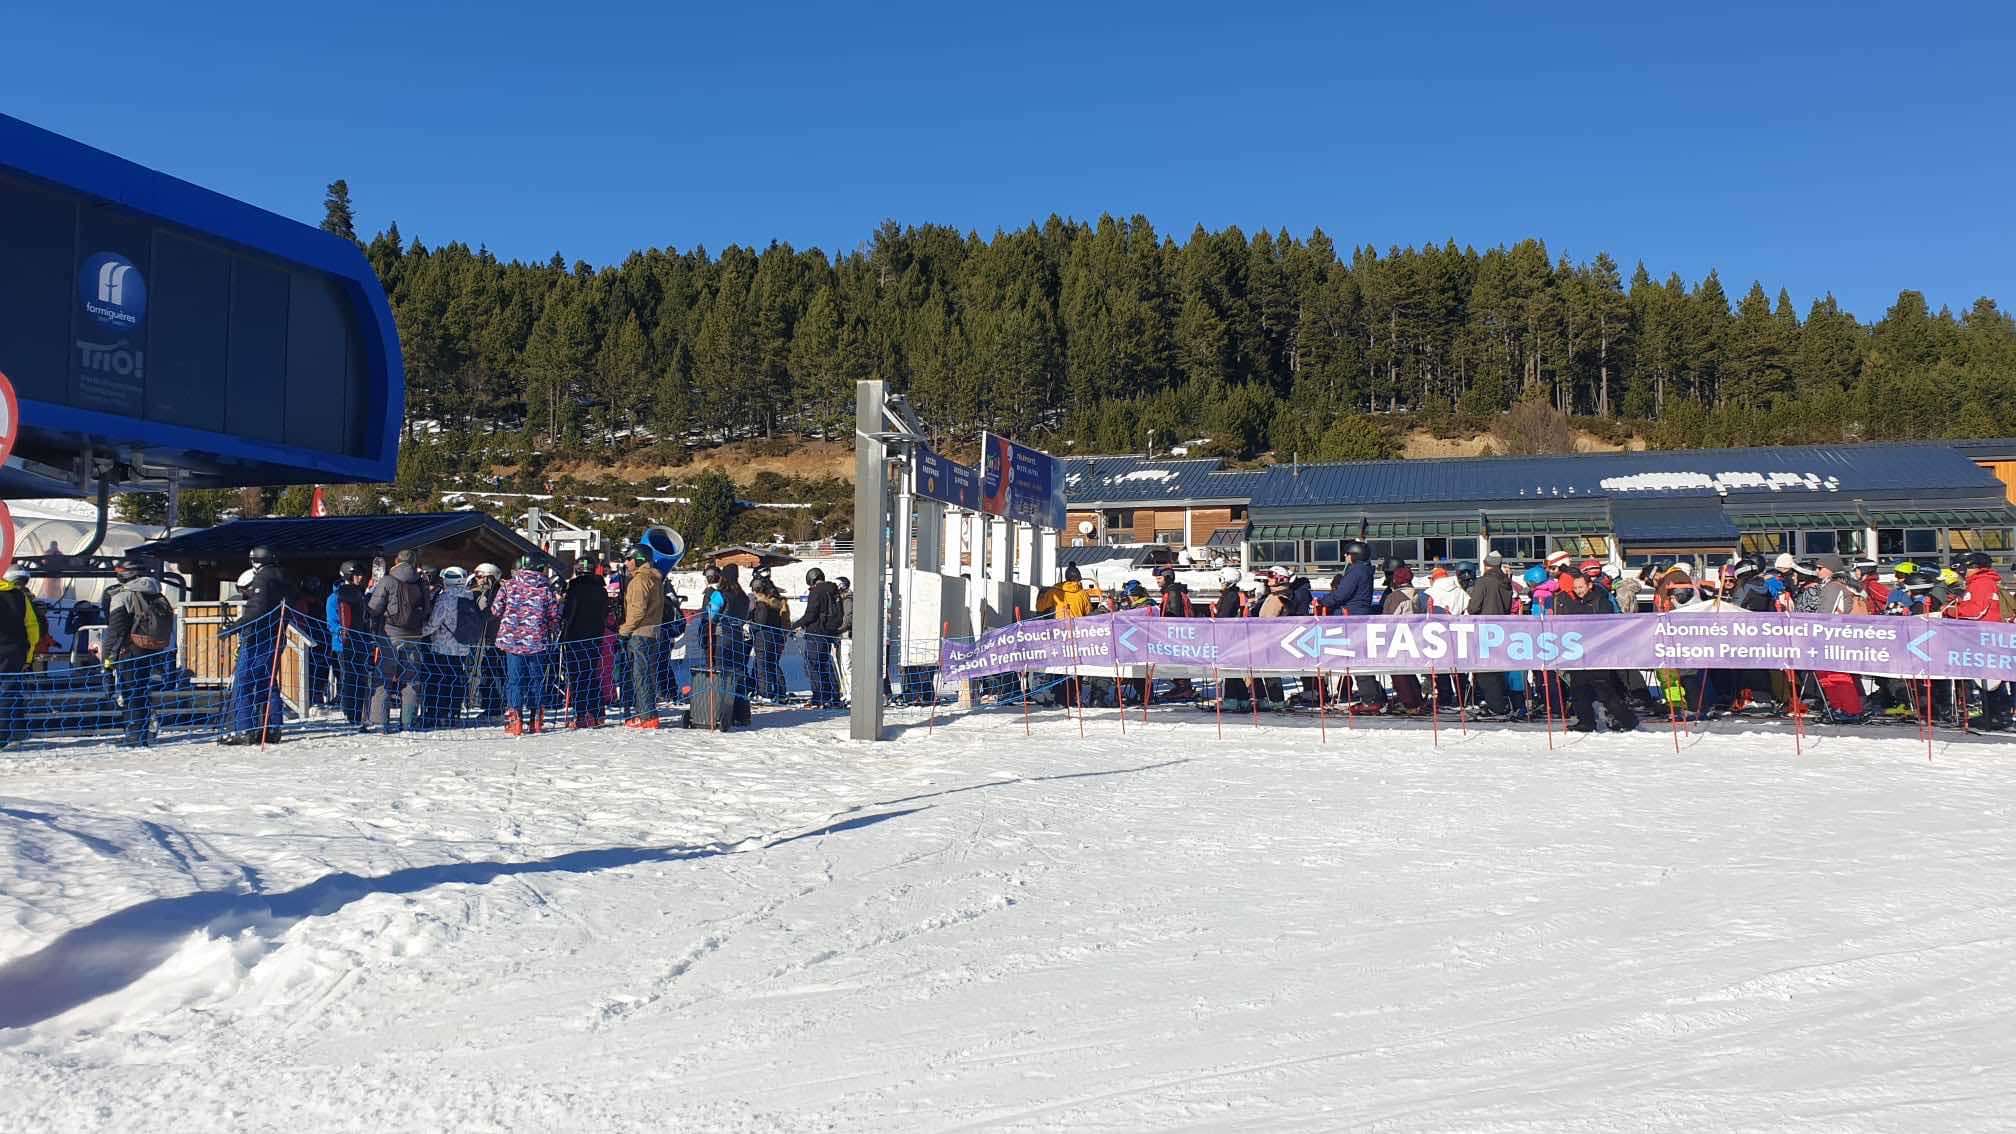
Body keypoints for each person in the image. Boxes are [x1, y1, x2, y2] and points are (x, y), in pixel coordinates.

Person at [1550, 567, 1639, 732]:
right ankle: (1586, 721)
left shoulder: (1601, 601)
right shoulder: (1577, 603)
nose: (1578, 591)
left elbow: (1607, 627)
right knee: (1578, 690)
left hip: (1598, 653)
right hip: (1580, 653)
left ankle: (1628, 720)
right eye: (1575, 588)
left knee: (1605, 690)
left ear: (1589, 585)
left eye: (1581, 587)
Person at [221, 546, 293, 745]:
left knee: (244, 681)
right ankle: (272, 728)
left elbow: (257, 609)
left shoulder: (262, 578)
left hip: (257, 636)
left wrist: (234, 627)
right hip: (276, 634)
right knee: (268, 681)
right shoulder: (283, 577)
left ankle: (245, 729)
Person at [101, 573, 175, 747]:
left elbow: (116, 632)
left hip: (129, 651)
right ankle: (143, 732)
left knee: (130, 692)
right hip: (152, 649)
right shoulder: (155, 593)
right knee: (141, 690)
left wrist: (107, 661)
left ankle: (134, 736)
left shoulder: (122, 596)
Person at [366, 548, 433, 733]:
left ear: (396, 560)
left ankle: (380, 722)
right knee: (411, 679)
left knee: (384, 678)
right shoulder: (421, 583)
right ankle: (408, 722)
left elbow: (374, 608)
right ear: (414, 563)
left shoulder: (387, 580)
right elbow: (427, 609)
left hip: (390, 635)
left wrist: (369, 595)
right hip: (414, 635)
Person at [493, 557, 562, 735]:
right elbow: (554, 616)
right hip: (537, 641)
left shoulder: (508, 586)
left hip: (512, 640)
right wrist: (551, 628)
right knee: (536, 679)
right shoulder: (545, 589)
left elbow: (496, 610)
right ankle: (536, 720)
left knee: (515, 680)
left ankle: (515, 720)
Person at [1944, 551, 2011, 730]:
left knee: (1991, 677)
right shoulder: (1978, 583)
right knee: (1987, 677)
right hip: (1983, 636)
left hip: (1988, 637)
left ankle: (1998, 715)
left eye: (1960, 569)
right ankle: (1994, 713)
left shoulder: (1982, 583)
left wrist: (1951, 611)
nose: (1959, 573)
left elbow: (1976, 611)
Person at [421, 566, 482, 728]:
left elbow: (434, 623)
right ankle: (454, 713)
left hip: (443, 646)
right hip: (462, 646)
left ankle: (438, 713)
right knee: (457, 679)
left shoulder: (445, 598)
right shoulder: (469, 597)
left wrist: (419, 632)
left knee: (440, 680)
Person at [615, 548, 666, 726]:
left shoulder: (639, 581)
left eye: (629, 558)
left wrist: (623, 631)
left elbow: (637, 611)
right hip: (652, 632)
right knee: (648, 674)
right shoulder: (655, 579)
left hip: (640, 633)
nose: (626, 563)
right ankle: (648, 713)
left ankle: (647, 717)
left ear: (638, 559)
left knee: (641, 675)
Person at [1464, 550, 1516, 718]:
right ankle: (1501, 701)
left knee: (1486, 671)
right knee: (1498, 668)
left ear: (1486, 565)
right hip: (1502, 628)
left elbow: (1473, 608)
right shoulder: (1506, 582)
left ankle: (1496, 706)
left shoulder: (1483, 582)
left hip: (1485, 628)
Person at [559, 560, 609, 728]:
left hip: (575, 636)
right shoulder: (601, 590)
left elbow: (568, 614)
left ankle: (581, 714)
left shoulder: (574, 589)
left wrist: (564, 631)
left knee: (577, 676)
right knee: (591, 674)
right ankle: (596, 712)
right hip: (595, 636)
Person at [1036, 565, 1096, 706]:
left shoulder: (1054, 591)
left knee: (1059, 665)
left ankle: (1059, 697)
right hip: (1077, 635)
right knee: (1076, 668)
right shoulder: (1083, 594)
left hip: (1059, 634)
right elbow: (1088, 613)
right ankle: (1073, 696)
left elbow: (1040, 607)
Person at [700, 564, 753, 721]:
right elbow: (744, 617)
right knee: (738, 673)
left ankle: (722, 712)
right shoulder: (743, 597)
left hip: (722, 636)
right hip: (738, 637)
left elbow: (710, 615)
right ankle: (742, 713)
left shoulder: (720, 594)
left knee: (721, 673)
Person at [794, 567, 845, 708]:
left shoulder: (816, 592)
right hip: (829, 632)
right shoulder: (834, 590)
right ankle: (831, 694)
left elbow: (811, 614)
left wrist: (796, 625)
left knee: (814, 665)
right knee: (825, 663)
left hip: (816, 633)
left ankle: (819, 696)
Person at [1211, 565, 1252, 711]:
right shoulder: (1232, 594)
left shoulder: (1230, 595)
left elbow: (1224, 616)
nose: (1220, 583)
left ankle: (1231, 698)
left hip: (1229, 636)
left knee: (1229, 668)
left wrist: (1214, 616)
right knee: (1232, 669)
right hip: (1232, 635)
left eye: (1221, 580)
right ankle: (1242, 698)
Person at [470, 563, 507, 719]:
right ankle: (490, 705)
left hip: (496, 638)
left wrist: (483, 609)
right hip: (487, 638)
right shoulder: (482, 592)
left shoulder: (498, 592)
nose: (477, 580)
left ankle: (496, 708)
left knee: (494, 671)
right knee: (486, 670)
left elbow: (492, 614)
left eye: (480, 576)